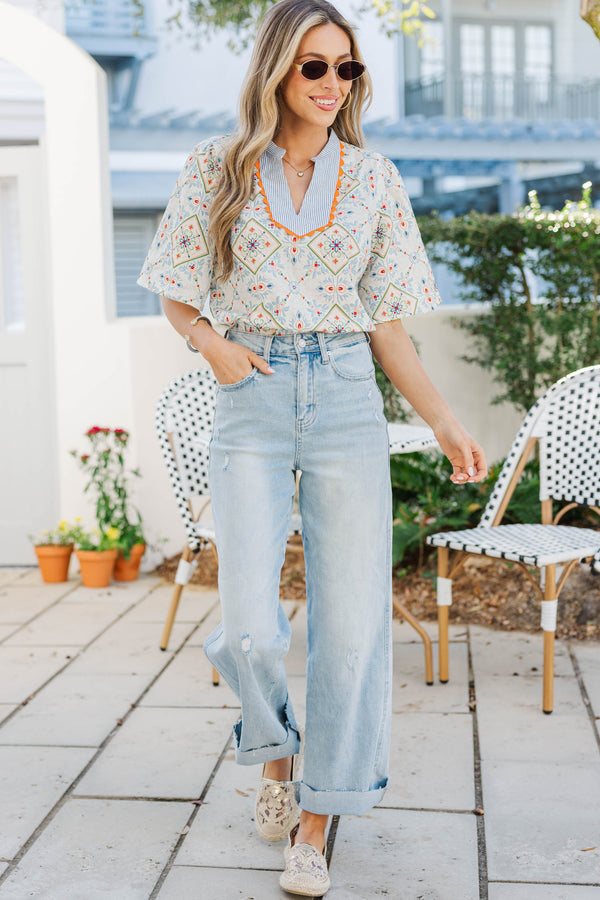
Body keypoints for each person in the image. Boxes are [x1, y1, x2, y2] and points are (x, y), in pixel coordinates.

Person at [138, 0, 487, 893]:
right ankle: (274, 755)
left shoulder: (375, 181)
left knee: (353, 626)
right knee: (250, 627)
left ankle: (317, 821)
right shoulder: (217, 168)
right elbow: (175, 289)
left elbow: (391, 331)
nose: (333, 84)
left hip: (342, 396)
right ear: (276, 73)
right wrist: (212, 346)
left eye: (347, 69)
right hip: (248, 395)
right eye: (315, 67)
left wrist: (446, 421)